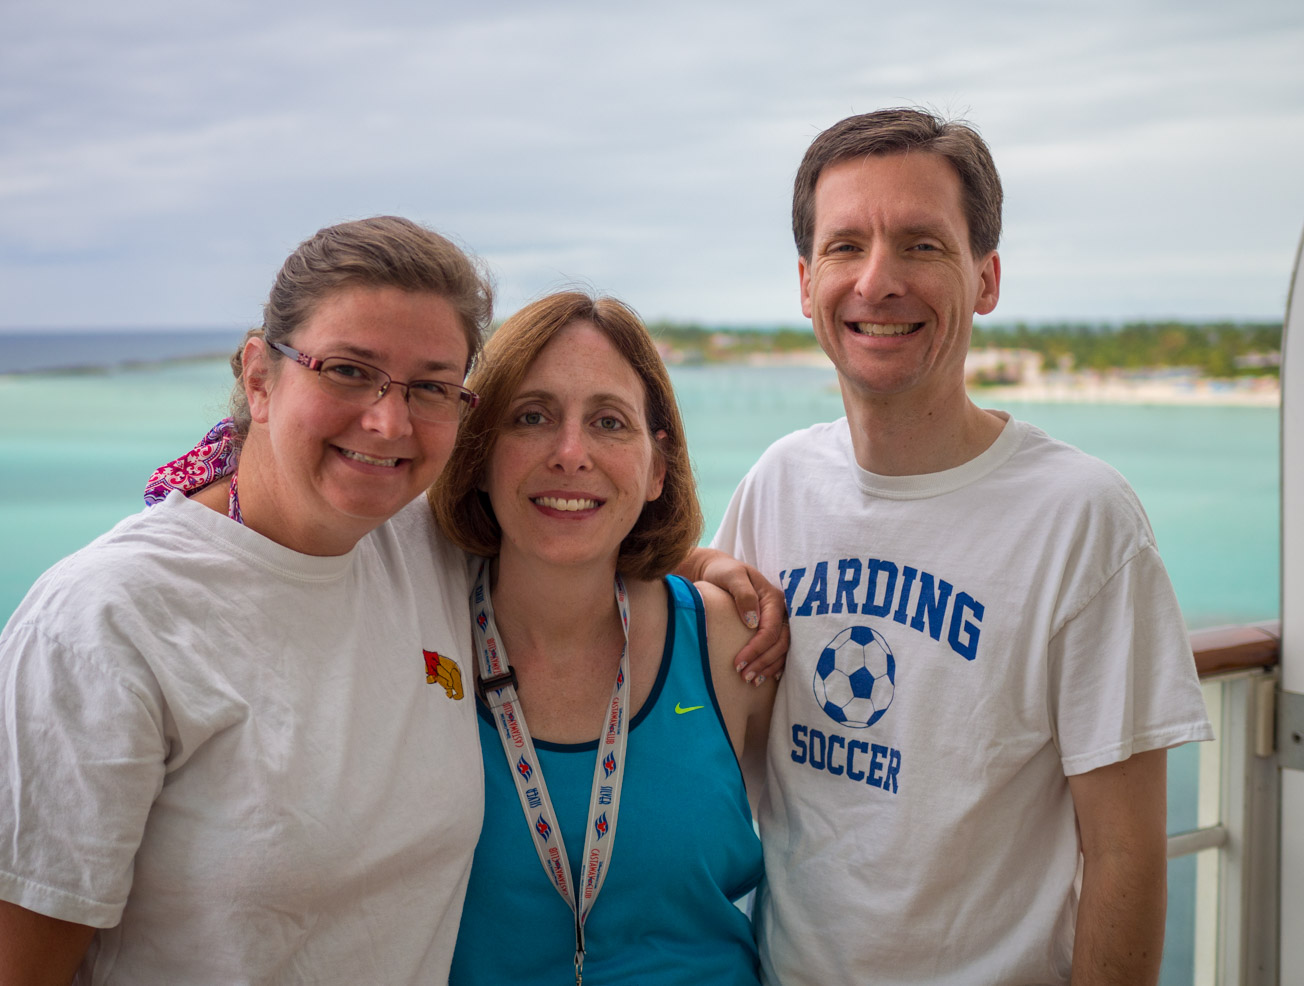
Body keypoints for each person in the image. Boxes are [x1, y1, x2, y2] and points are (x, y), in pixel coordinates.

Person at [691, 109, 1214, 985]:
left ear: (986, 278)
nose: (877, 281)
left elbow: (1124, 855)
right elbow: (701, 702)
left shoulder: (1082, 521)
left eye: (923, 246)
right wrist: (695, 563)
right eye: (845, 246)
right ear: (805, 279)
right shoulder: (776, 485)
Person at [0, 217, 496, 985]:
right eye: (348, 370)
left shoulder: (424, 546)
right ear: (260, 377)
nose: (387, 421)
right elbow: (1, 976)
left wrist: (705, 572)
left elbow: (580, 543)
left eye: (430, 387)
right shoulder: (104, 618)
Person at [429, 292, 775, 986]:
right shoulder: (417, 631)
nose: (570, 453)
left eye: (609, 423)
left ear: (656, 468)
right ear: (480, 448)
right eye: (532, 417)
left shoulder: (727, 642)